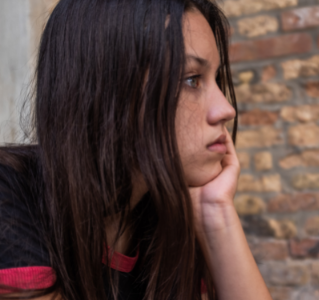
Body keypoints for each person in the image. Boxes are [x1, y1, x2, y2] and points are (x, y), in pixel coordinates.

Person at [0, 0, 273, 299]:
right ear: (108, 88)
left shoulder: (167, 227)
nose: (226, 109)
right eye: (192, 79)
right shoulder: (10, 196)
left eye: (216, 79)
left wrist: (215, 212)